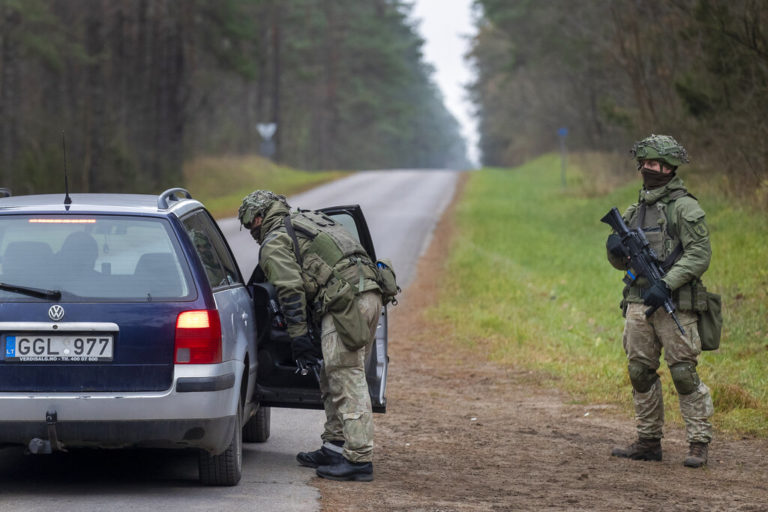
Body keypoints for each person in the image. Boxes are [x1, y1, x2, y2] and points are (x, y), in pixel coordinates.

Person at [238, 190, 383, 482]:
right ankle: (335, 445)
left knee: (345, 376)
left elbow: (289, 289)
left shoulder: (275, 240)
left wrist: (299, 336)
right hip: (370, 295)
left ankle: (358, 459)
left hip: (344, 304)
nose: (253, 233)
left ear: (257, 218)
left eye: (250, 226)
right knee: (332, 374)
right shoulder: (310, 220)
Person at [606, 134, 714, 468]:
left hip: (675, 302)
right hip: (638, 302)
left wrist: (666, 284)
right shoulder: (635, 209)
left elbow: (699, 254)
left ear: (668, 168)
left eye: (653, 164)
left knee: (683, 373)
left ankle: (698, 443)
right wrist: (614, 252)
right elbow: (621, 261)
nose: (646, 169)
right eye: (644, 163)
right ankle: (648, 441)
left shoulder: (686, 207)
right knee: (639, 371)